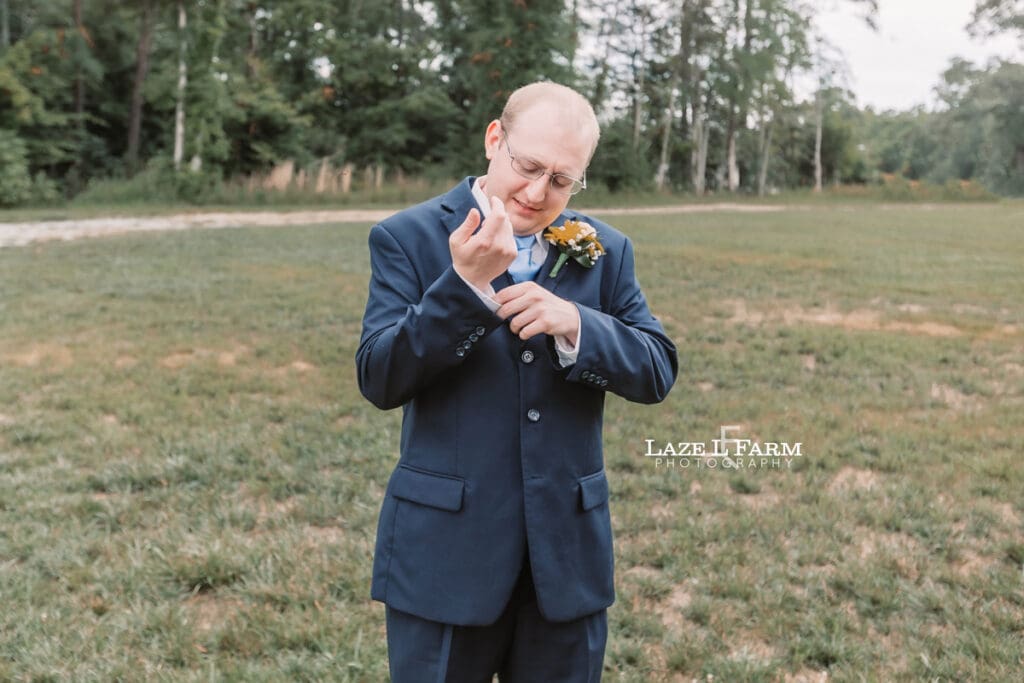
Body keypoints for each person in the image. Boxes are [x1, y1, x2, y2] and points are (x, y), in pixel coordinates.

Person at [356, 81, 678, 682]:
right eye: (528, 167)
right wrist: (465, 289)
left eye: (561, 180)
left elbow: (657, 367)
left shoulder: (605, 249)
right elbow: (380, 377)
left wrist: (579, 324)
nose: (537, 193)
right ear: (494, 140)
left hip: (566, 559)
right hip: (446, 558)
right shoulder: (407, 237)